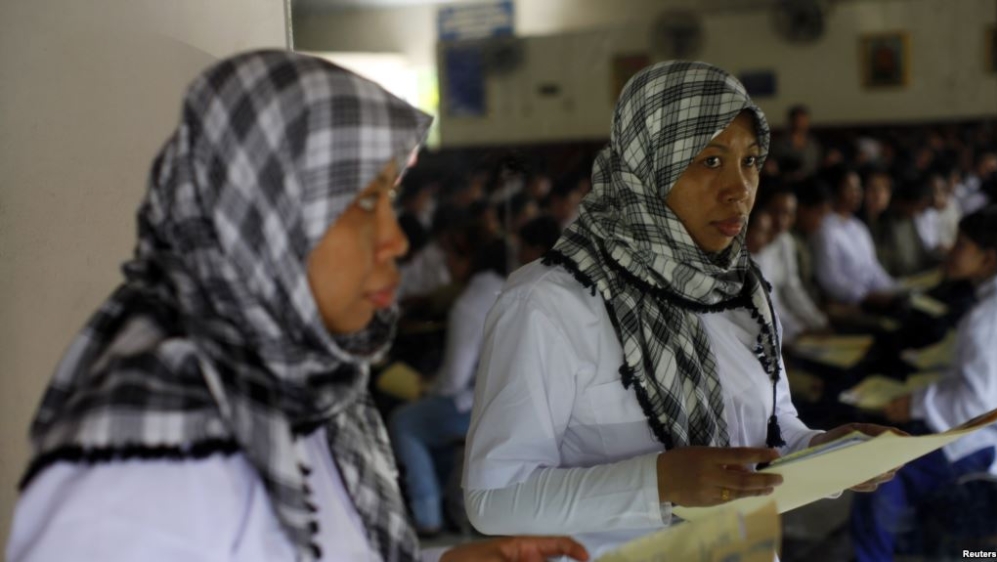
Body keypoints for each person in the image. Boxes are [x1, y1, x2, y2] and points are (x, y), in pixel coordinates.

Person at [5, 51, 588, 562]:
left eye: (389, 199)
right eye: (363, 203)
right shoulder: (142, 464)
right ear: (259, 218)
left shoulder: (309, 389)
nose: (397, 241)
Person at [462, 61, 898, 558]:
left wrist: (822, 452)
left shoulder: (741, 291)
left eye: (751, 161)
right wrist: (657, 482)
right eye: (710, 162)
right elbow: (493, 498)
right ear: (647, 164)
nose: (740, 189)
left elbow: (772, 428)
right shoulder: (549, 302)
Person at [853, 205, 997, 562]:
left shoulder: (987, 318)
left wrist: (916, 403)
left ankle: (874, 557)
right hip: (982, 433)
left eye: (962, 245)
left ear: (989, 258)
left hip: (978, 443)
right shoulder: (987, 307)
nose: (951, 250)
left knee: (877, 468)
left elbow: (979, 405)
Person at [389, 230, 509, 537]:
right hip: (508, 399)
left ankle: (427, 514)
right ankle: (440, 499)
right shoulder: (507, 288)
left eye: (452, 258)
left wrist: (426, 386)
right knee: (430, 421)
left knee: (405, 422)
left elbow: (454, 380)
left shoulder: (468, 305)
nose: (448, 264)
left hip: (477, 405)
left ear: (468, 261)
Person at [811, 165, 901, 310]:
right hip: (848, 305)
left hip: (873, 298)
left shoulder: (858, 227)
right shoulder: (824, 229)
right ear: (835, 191)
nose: (857, 193)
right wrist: (865, 296)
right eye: (850, 188)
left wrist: (895, 289)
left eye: (858, 188)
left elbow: (872, 269)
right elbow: (830, 279)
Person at [755, 185, 829, 344]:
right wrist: (796, 332)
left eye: (788, 213)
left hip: (784, 327)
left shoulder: (785, 241)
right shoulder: (752, 249)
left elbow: (792, 288)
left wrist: (817, 322)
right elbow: (767, 305)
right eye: (775, 211)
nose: (781, 220)